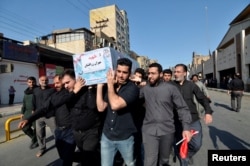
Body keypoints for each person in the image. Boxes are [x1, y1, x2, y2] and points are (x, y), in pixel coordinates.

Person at [19, 74, 84, 166]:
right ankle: (87, 158)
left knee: (67, 160)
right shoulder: (55, 95)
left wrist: (74, 91)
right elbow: (44, 107)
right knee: (63, 156)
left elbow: (64, 98)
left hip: (70, 131)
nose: (55, 85)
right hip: (59, 131)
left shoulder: (73, 93)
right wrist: (28, 119)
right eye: (54, 83)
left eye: (58, 83)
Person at [139, 63, 192, 166]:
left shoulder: (171, 88)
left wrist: (186, 127)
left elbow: (182, 108)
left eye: (153, 73)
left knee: (164, 160)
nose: (150, 76)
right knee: (149, 161)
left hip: (167, 131)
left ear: (161, 74)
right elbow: (133, 99)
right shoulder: (145, 89)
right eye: (149, 73)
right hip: (149, 131)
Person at [96, 58, 139, 166]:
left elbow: (115, 105)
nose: (120, 75)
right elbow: (101, 107)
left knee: (130, 164)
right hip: (107, 136)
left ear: (129, 74)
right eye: (119, 71)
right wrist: (100, 86)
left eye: (124, 72)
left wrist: (110, 85)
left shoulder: (132, 89)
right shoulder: (111, 87)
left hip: (125, 138)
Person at [173, 64, 213, 166]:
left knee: (197, 144)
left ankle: (187, 155)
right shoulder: (170, 85)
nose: (175, 74)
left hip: (193, 119)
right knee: (181, 144)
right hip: (177, 121)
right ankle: (184, 160)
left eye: (178, 72)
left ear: (185, 73)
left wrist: (208, 112)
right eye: (175, 72)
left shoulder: (191, 85)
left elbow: (202, 98)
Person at [62, 69, 101, 166]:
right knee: (86, 156)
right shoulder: (68, 94)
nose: (66, 86)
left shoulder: (89, 90)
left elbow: (92, 105)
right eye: (64, 84)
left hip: (91, 132)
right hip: (76, 133)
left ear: (76, 80)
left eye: (67, 82)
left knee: (87, 158)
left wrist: (90, 88)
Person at [32, 75, 56, 157]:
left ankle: (61, 146)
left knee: (56, 132)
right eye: (42, 80)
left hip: (50, 116)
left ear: (48, 81)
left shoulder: (52, 90)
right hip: (39, 116)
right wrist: (33, 110)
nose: (44, 82)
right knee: (40, 134)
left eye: (46, 80)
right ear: (39, 81)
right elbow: (33, 101)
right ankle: (42, 149)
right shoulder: (35, 90)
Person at [20, 76, 38, 149]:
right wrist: (22, 112)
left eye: (33, 82)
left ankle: (35, 141)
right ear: (27, 83)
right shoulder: (26, 92)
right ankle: (34, 138)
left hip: (36, 112)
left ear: (35, 82)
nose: (31, 83)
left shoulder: (38, 90)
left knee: (36, 128)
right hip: (27, 112)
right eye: (30, 82)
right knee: (24, 128)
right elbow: (24, 103)